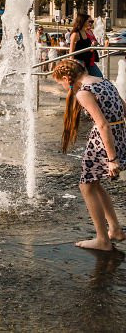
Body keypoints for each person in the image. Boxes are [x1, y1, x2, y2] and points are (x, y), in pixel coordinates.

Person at [52, 59, 126, 250]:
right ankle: (115, 229)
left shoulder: (84, 92)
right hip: (117, 134)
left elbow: (102, 124)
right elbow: (124, 109)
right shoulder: (104, 82)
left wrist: (112, 159)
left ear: (68, 78)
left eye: (61, 83)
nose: (62, 87)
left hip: (101, 140)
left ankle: (102, 239)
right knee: (93, 183)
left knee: (86, 186)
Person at [69, 12, 103, 77]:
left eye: (91, 21)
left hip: (87, 61)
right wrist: (71, 64)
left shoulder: (85, 32)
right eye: (89, 21)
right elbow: (71, 51)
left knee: (99, 78)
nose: (90, 23)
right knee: (82, 80)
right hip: (79, 62)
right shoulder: (76, 34)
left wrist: (92, 46)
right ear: (83, 21)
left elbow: (86, 48)